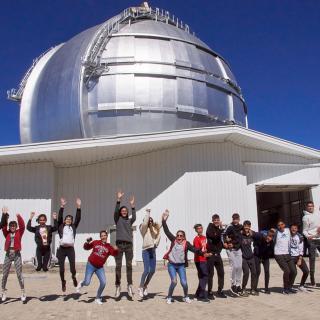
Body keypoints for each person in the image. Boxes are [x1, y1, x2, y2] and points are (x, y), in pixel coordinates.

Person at [162, 210, 211, 304]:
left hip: (181, 266)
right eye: (178, 235)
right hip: (172, 265)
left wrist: (203, 253)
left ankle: (185, 296)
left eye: (181, 235)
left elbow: (195, 249)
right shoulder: (173, 240)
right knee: (174, 281)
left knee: (184, 283)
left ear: (184, 237)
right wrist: (164, 220)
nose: (179, 237)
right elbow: (166, 231)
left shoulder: (186, 244)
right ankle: (169, 297)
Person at [77, 231, 118, 304]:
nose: (103, 237)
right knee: (87, 282)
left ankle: (97, 298)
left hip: (99, 267)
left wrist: (116, 249)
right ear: (100, 237)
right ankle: (81, 284)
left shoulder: (109, 246)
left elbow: (114, 254)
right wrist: (87, 243)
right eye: (102, 236)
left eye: (105, 235)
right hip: (91, 265)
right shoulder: (96, 242)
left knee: (103, 282)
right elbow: (86, 248)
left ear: (107, 236)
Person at [0, 207, 26, 302]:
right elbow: (3, 226)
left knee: (19, 274)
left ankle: (23, 291)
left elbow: (23, 226)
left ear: (16, 227)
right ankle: (3, 291)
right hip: (8, 254)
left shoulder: (19, 232)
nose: (12, 227)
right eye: (11, 226)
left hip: (17, 254)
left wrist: (18, 217)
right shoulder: (6, 233)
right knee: (5, 274)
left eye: (14, 226)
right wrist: (5, 216)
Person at [57, 197, 82, 293]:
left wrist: (78, 207)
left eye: (70, 219)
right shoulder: (61, 226)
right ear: (64, 220)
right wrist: (62, 206)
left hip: (70, 249)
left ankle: (74, 277)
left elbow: (78, 218)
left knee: (72, 268)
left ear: (71, 221)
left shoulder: (73, 227)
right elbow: (59, 217)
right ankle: (63, 282)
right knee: (61, 269)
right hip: (62, 250)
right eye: (67, 219)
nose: (68, 220)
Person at [114, 190, 136, 299]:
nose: (123, 212)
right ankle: (118, 286)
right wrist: (118, 200)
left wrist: (132, 206)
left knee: (129, 266)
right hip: (119, 245)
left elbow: (135, 217)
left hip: (128, 246)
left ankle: (129, 285)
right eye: (122, 210)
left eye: (125, 211)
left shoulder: (129, 221)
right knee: (118, 266)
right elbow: (115, 211)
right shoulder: (117, 219)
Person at [138, 208, 161, 299]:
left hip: (153, 251)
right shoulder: (143, 229)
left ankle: (145, 285)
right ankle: (140, 287)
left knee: (152, 271)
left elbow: (159, 229)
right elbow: (144, 224)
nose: (149, 222)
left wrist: (164, 219)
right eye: (148, 220)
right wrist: (148, 213)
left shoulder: (153, 230)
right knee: (146, 270)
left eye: (151, 220)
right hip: (146, 251)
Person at [206, 214, 227, 299]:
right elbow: (214, 237)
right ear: (212, 220)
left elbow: (221, 239)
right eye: (215, 220)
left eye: (217, 220)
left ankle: (220, 291)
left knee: (221, 273)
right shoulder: (210, 228)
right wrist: (221, 229)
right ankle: (210, 292)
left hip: (218, 255)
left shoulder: (220, 229)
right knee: (211, 274)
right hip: (211, 255)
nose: (216, 221)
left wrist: (225, 244)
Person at [274, 220, 297, 294]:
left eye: (282, 224)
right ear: (277, 227)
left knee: (294, 271)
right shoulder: (276, 232)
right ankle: (285, 289)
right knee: (287, 271)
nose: (280, 226)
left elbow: (295, 232)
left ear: (284, 225)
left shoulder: (288, 230)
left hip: (287, 254)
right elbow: (269, 234)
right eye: (279, 225)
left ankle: (290, 287)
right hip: (279, 254)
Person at [222, 213, 243, 296]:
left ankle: (238, 285)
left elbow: (246, 233)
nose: (235, 220)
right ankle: (233, 284)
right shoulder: (229, 226)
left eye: (237, 218)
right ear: (232, 219)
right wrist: (225, 243)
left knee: (239, 266)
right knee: (233, 266)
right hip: (230, 249)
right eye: (234, 218)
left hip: (238, 249)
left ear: (239, 219)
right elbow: (223, 235)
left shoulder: (241, 227)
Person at [302, 201, 320, 286]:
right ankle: (312, 278)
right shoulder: (305, 217)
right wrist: (308, 236)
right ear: (306, 207)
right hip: (311, 239)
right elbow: (304, 230)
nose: (310, 207)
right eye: (309, 206)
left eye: (312, 206)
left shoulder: (317, 215)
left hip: (319, 238)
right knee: (312, 259)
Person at [240, 220, 259, 296]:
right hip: (243, 257)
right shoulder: (240, 234)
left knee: (254, 273)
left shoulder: (252, 234)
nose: (246, 227)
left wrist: (253, 234)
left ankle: (253, 289)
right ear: (243, 226)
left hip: (251, 257)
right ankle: (243, 289)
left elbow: (259, 237)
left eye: (248, 226)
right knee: (246, 273)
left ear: (250, 227)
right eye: (245, 225)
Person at [253, 229, 275, 294]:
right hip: (257, 256)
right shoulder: (261, 239)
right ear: (266, 235)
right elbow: (256, 246)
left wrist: (267, 252)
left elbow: (271, 252)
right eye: (268, 236)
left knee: (267, 271)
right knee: (258, 271)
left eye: (271, 237)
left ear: (272, 237)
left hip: (265, 258)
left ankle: (266, 288)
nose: (269, 237)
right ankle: (254, 288)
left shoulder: (271, 243)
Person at [193, 223, 210, 303]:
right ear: (196, 230)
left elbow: (206, 247)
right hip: (199, 259)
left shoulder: (204, 237)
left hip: (205, 259)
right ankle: (202, 295)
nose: (200, 230)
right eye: (198, 229)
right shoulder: (196, 239)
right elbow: (197, 250)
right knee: (204, 275)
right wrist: (203, 253)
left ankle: (197, 293)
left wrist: (208, 253)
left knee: (203, 276)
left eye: (201, 228)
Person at [290, 224, 309, 292]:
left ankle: (301, 285)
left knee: (306, 271)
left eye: (295, 228)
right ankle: (290, 286)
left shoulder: (300, 237)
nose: (293, 229)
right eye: (292, 228)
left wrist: (300, 259)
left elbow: (301, 249)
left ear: (297, 229)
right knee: (294, 272)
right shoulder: (287, 236)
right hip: (290, 257)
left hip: (298, 256)